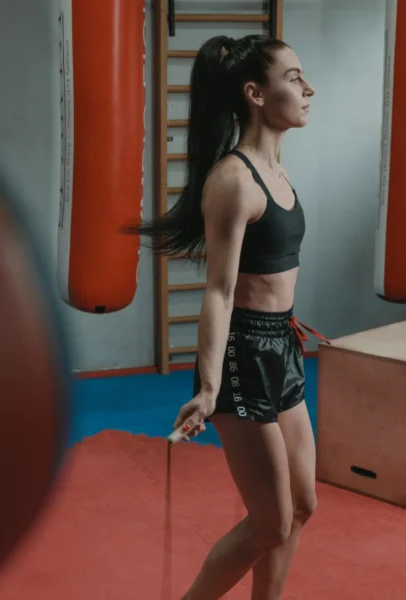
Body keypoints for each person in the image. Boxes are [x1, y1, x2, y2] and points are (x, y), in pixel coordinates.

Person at [127, 33, 323, 600]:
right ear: (255, 93)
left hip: (281, 347)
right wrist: (209, 385)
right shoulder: (234, 182)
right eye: (293, 78)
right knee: (270, 522)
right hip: (243, 356)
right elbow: (219, 290)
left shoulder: (278, 172)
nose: (308, 89)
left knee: (302, 505)